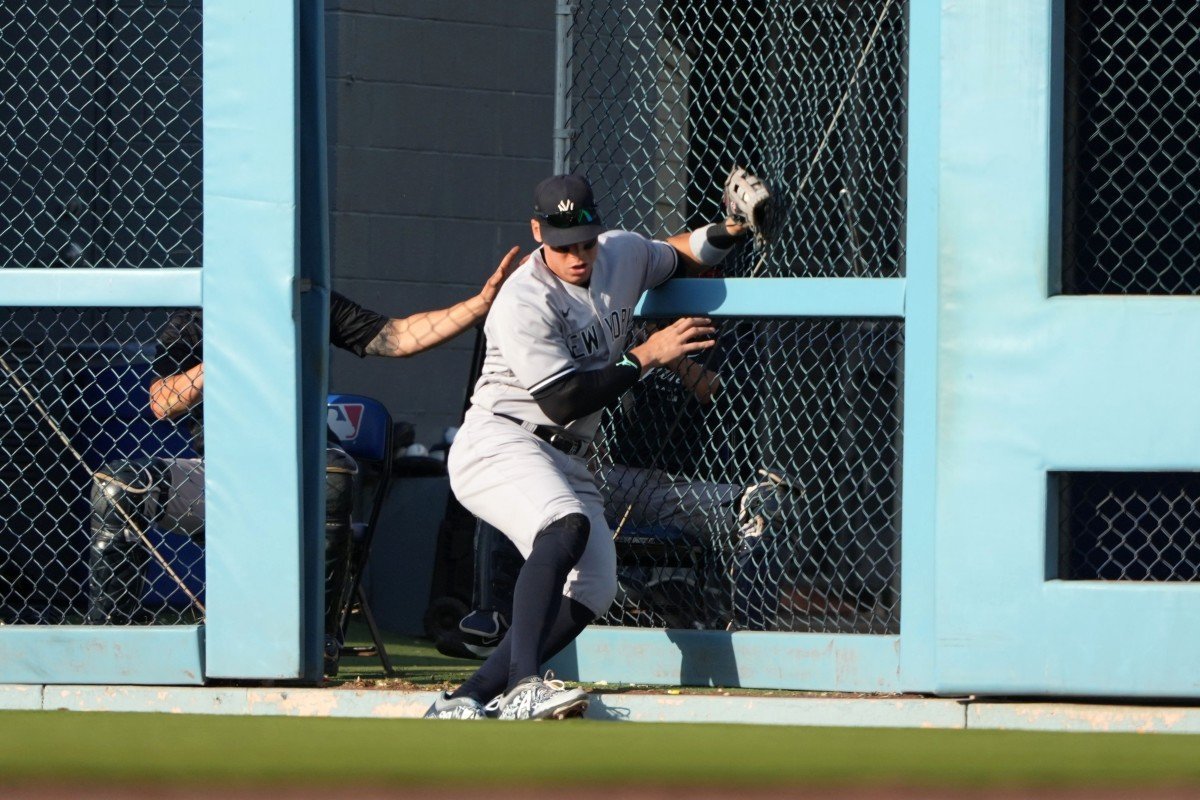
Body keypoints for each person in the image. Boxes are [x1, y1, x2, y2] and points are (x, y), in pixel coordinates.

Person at [84, 248, 521, 677]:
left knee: (333, 473)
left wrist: (479, 305)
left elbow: (397, 336)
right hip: (220, 479)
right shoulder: (201, 318)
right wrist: (231, 348)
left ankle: (320, 643)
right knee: (118, 488)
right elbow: (163, 402)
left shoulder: (308, 302)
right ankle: (113, 643)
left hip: (299, 473)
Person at [425, 174, 755, 721]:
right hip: (502, 438)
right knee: (564, 527)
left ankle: (467, 698)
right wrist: (646, 355)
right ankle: (524, 685)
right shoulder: (523, 299)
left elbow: (680, 253)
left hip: (568, 455)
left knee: (595, 585)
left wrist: (733, 227)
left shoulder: (620, 252)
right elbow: (563, 401)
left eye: (585, 241)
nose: (578, 255)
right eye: (563, 245)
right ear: (537, 233)